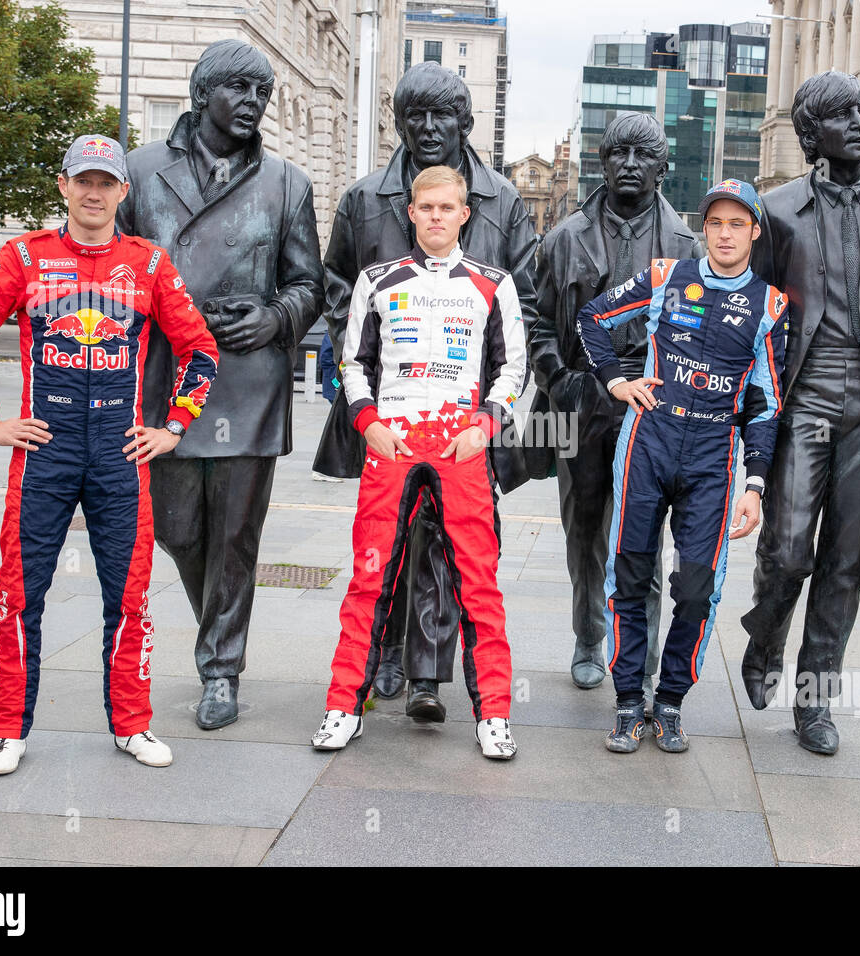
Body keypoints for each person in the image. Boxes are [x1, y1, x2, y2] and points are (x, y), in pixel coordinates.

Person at [0, 134, 219, 775]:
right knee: (21, 591)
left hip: (121, 455)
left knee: (130, 596)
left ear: (123, 191)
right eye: (82, 180)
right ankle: (7, 728)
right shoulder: (23, 257)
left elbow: (200, 350)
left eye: (106, 182)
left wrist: (173, 427)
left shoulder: (147, 263)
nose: (94, 192)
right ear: (63, 185)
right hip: (45, 455)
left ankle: (132, 725)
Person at [314, 61, 537, 709]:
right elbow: (336, 288)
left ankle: (427, 674)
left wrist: (498, 391)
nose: (430, 127)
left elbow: (526, 296)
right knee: (390, 531)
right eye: (416, 114)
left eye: (444, 115)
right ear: (399, 121)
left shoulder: (503, 201)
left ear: (466, 122)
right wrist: (359, 362)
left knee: (449, 538)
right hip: (388, 403)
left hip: (467, 405)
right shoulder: (362, 201)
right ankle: (382, 647)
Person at [117, 40, 324, 730]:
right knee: (177, 529)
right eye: (239, 88)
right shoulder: (140, 173)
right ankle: (218, 634)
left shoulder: (287, 182)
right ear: (202, 92)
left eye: (262, 92)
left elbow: (308, 285)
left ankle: (219, 669)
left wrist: (274, 318)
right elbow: (109, 272)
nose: (254, 103)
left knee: (237, 535)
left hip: (247, 380)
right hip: (162, 380)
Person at [740, 71, 860, 755]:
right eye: (841, 114)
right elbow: (755, 316)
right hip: (804, 396)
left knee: (845, 561)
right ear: (810, 134)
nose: (859, 122)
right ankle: (766, 631)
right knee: (789, 550)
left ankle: (814, 701)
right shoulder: (776, 211)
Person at [576, 179, 787, 754]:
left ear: (754, 232)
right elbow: (590, 319)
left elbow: (765, 402)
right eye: (715, 222)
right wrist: (616, 381)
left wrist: (756, 484)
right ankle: (626, 703)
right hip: (648, 440)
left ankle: (668, 702)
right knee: (630, 576)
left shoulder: (770, 304)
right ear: (704, 228)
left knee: (695, 590)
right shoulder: (668, 276)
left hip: (713, 459)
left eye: (736, 224)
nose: (724, 233)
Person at [527, 112, 701, 694]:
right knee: (585, 529)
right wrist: (561, 382)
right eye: (618, 153)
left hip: (654, 404)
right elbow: (536, 322)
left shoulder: (687, 247)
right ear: (601, 163)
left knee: (644, 533)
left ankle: (640, 643)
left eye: (642, 154)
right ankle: (587, 635)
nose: (629, 164)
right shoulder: (563, 238)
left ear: (663, 166)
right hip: (582, 400)